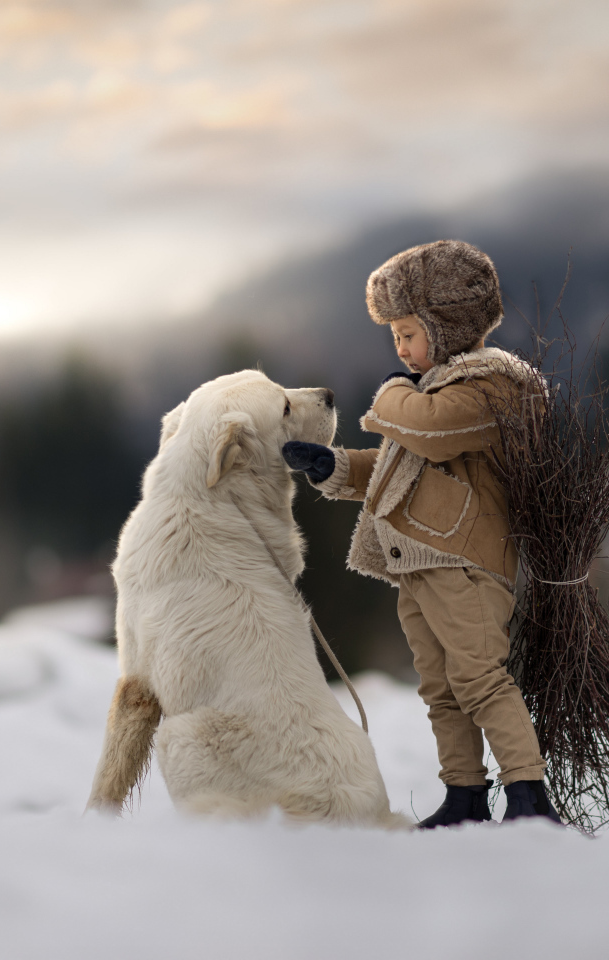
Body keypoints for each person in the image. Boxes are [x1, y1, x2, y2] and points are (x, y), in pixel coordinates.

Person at [282, 239, 562, 828]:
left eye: (408, 333)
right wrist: (332, 466)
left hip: (467, 563)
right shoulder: (432, 390)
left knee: (481, 677)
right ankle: (463, 795)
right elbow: (396, 467)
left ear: (449, 324)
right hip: (419, 563)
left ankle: (529, 797)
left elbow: (428, 431)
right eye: (395, 338)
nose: (401, 348)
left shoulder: (493, 386)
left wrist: (389, 390)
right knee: (440, 688)